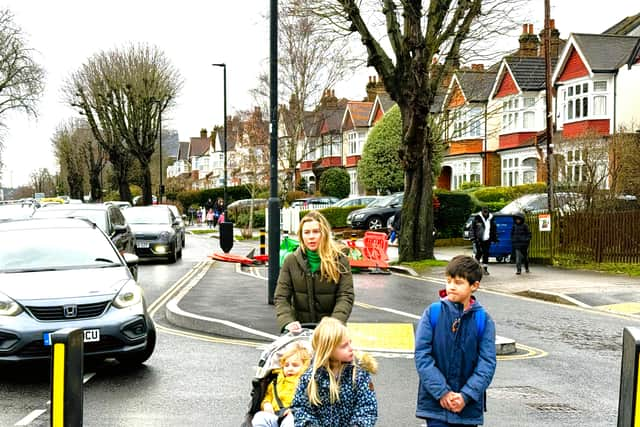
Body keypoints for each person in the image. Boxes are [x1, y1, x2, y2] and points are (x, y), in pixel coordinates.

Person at [414, 255, 497, 426]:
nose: (451, 287)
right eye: (449, 281)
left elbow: (487, 363)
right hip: (436, 406)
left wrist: (466, 396)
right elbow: (423, 356)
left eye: (458, 282)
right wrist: (442, 393)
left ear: (474, 286)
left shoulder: (483, 320)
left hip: (467, 408)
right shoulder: (433, 313)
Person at [274, 211, 354, 333]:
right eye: (306, 232)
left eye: (316, 232)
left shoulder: (340, 260)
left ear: (324, 233)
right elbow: (281, 297)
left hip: (331, 333)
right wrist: (287, 321)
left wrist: (335, 322)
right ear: (301, 236)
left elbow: (345, 295)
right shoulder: (291, 261)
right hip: (300, 330)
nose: (311, 236)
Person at [290, 317, 378, 426]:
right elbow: (301, 409)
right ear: (328, 350)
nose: (351, 348)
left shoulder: (359, 375)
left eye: (350, 343)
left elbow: (367, 409)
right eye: (344, 346)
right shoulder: (310, 378)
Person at [252, 343, 312, 427]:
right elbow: (268, 395)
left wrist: (296, 411)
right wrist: (266, 404)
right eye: (286, 365)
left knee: (291, 421)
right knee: (259, 417)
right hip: (275, 414)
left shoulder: (305, 381)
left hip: (293, 415)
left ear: (305, 366)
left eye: (295, 365)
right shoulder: (276, 381)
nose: (290, 368)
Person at [469, 207, 497, 275]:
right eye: (484, 212)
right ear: (481, 212)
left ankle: (485, 269)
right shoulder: (477, 218)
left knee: (486, 253)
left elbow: (493, 229)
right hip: (478, 239)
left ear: (488, 212)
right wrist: (473, 237)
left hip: (487, 239)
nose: (485, 213)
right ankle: (474, 268)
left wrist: (494, 238)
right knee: (479, 253)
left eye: (486, 212)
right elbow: (472, 229)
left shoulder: (491, 219)